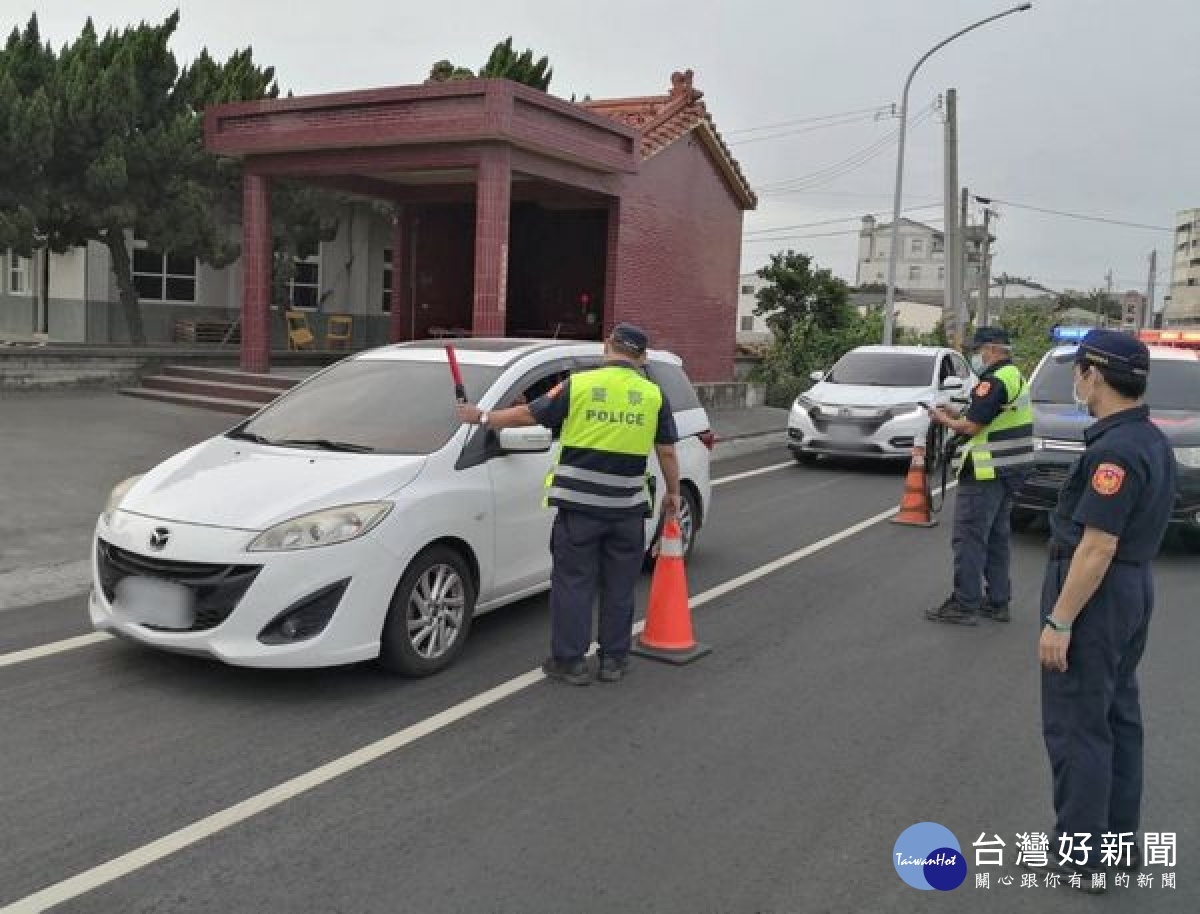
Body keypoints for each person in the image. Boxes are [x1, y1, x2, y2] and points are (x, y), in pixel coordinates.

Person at [455, 323, 681, 685]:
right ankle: (613, 661)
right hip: (626, 511)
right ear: (641, 358)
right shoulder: (653, 395)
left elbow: (530, 414)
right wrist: (674, 494)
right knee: (619, 587)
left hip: (579, 510)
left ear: (608, 346)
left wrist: (483, 417)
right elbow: (667, 451)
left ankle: (570, 662)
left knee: (573, 584)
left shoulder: (579, 384)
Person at [1035, 329, 1175, 891]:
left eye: (1079, 370)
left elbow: (1097, 546)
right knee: (1118, 718)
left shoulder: (1114, 451)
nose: (1076, 380)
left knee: (1079, 727)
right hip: (1132, 589)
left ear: (1094, 375)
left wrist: (1059, 621)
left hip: (1098, 593)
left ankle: (1084, 857)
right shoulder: (1149, 439)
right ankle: (1116, 844)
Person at [925, 326, 1034, 625]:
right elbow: (987, 419)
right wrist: (957, 414)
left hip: (987, 472)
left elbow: (972, 428)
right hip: (1011, 469)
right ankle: (998, 601)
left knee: (970, 538)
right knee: (997, 537)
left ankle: (965, 603)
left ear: (993, 349)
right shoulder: (1015, 376)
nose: (978, 356)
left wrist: (943, 419)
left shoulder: (994, 380)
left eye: (980, 350)